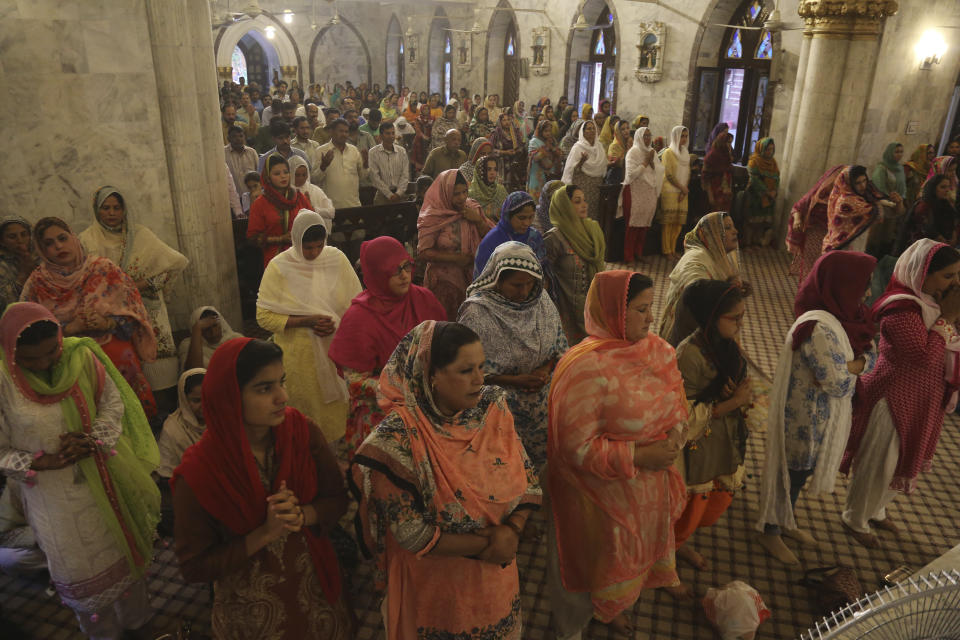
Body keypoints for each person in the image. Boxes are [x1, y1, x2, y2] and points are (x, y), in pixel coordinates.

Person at [351, 320, 542, 640]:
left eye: (482, 367)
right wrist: (494, 543)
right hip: (437, 587)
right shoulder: (396, 439)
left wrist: (512, 529)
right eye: (466, 370)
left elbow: (528, 480)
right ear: (433, 375)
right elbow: (411, 533)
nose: (480, 379)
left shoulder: (492, 408)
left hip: (494, 580)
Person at [172, 338, 352, 639]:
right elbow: (195, 567)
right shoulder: (198, 472)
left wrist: (303, 515)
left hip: (316, 595)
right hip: (249, 614)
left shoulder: (302, 432)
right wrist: (265, 533)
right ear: (230, 396)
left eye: (281, 382)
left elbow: (337, 500)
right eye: (264, 388)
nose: (283, 396)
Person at [0, 302, 160, 638]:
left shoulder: (80, 356)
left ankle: (139, 624)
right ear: (11, 350)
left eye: (51, 352)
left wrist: (93, 439)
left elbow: (112, 404)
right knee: (78, 572)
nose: (44, 365)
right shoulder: (3, 381)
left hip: (102, 479)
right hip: (50, 497)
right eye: (31, 359)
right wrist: (36, 461)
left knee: (124, 561)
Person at [547, 271, 687, 637]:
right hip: (598, 497)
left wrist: (674, 436)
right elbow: (573, 448)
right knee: (589, 563)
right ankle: (575, 625)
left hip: (646, 491)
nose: (651, 318)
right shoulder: (584, 367)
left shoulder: (658, 351)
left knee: (629, 564)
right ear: (613, 313)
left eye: (650, 308)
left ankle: (609, 609)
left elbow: (678, 405)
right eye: (641, 310)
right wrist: (639, 456)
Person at [756, 251, 877, 564]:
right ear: (841, 284)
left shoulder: (850, 317)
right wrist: (859, 364)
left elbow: (871, 355)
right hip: (804, 418)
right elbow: (836, 381)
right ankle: (769, 532)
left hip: (823, 418)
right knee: (792, 472)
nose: (868, 292)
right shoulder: (817, 327)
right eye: (862, 284)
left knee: (803, 472)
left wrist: (854, 363)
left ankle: (785, 520)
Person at [840, 240, 960, 548]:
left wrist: (947, 318)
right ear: (922, 273)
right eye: (948, 276)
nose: (955, 283)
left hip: (924, 398)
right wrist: (947, 319)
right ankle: (854, 517)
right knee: (880, 462)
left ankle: (876, 510)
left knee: (903, 458)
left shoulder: (933, 303)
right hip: (893, 397)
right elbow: (924, 357)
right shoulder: (901, 308)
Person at [22, 218, 159, 417]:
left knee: (131, 415)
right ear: (41, 250)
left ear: (73, 237)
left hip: (116, 356)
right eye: (49, 243)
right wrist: (69, 329)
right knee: (90, 419)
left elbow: (134, 313)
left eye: (62, 238)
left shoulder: (104, 269)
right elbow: (28, 330)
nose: (58, 246)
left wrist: (109, 322)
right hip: (68, 361)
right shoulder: (37, 283)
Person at [328, 237, 446, 457]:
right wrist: (400, 389)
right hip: (380, 411)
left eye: (405, 266)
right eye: (393, 271)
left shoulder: (423, 299)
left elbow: (445, 347)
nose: (403, 275)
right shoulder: (359, 317)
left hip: (429, 402)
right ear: (376, 274)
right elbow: (353, 380)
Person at [459, 242, 566, 470]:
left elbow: (559, 344)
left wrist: (545, 370)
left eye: (529, 283)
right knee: (506, 466)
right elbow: (465, 371)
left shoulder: (541, 301)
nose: (524, 291)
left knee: (541, 467)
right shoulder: (478, 312)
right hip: (500, 409)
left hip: (541, 405)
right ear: (497, 280)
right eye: (516, 285)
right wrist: (515, 381)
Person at [256, 211, 361, 444]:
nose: (314, 253)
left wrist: (337, 325)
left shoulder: (335, 258)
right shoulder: (280, 267)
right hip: (298, 354)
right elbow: (264, 317)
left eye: (319, 246)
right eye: (308, 248)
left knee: (337, 411)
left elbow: (356, 303)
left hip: (334, 348)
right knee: (306, 411)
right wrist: (307, 321)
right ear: (295, 241)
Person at [672, 280, 751, 575]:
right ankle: (665, 557)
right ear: (710, 316)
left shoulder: (725, 346)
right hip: (695, 448)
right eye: (735, 318)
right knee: (687, 510)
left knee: (713, 505)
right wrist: (732, 403)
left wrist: (734, 396)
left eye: (743, 316)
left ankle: (678, 544)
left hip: (721, 438)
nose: (741, 324)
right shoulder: (687, 355)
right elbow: (679, 418)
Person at [80, 186, 189, 396]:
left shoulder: (140, 235)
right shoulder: (86, 240)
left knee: (159, 373)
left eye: (117, 208)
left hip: (147, 309)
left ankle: (164, 407)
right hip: (111, 313)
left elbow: (169, 267)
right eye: (106, 208)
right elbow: (85, 280)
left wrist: (135, 286)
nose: (112, 213)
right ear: (96, 209)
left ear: (124, 210)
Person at [659, 212, 746, 347]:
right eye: (727, 228)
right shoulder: (696, 257)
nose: (735, 231)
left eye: (733, 227)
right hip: (688, 333)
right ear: (712, 234)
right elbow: (695, 287)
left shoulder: (719, 257)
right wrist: (725, 290)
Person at [417, 169, 494, 320]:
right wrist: (456, 258)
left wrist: (478, 220)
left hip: (473, 279)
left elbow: (491, 237)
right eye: (456, 194)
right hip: (444, 284)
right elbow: (423, 252)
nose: (462, 198)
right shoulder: (433, 216)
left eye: (465, 192)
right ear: (445, 192)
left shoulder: (472, 208)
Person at [544, 185, 606, 344]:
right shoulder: (554, 238)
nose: (584, 205)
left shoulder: (592, 230)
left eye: (584, 200)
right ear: (564, 205)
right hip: (566, 310)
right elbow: (544, 276)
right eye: (577, 201)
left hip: (592, 305)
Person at [155, 368, 205, 535]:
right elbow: (167, 476)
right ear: (184, 400)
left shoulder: (223, 420)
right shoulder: (173, 429)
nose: (204, 405)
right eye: (196, 400)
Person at [247, 153, 312, 267]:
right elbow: (253, 238)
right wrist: (280, 239)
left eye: (286, 172)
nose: (283, 176)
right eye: (277, 173)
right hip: (275, 260)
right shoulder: (260, 203)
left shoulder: (298, 197)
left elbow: (312, 223)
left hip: (301, 257)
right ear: (268, 177)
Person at [785, 165, 845, 284]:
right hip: (814, 236)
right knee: (810, 268)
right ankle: (805, 294)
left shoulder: (844, 200)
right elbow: (798, 207)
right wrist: (797, 220)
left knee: (826, 271)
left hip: (834, 240)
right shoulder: (818, 194)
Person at [821, 165, 901, 254]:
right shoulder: (846, 200)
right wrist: (885, 203)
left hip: (854, 247)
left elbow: (894, 211)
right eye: (858, 183)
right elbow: (877, 212)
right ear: (849, 183)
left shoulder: (863, 196)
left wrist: (898, 203)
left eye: (864, 181)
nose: (863, 186)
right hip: (841, 249)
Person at [474, 191, 547, 277]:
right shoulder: (491, 242)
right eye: (521, 218)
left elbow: (543, 271)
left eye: (531, 217)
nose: (527, 223)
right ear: (508, 216)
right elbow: (482, 280)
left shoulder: (534, 236)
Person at [619, 127, 664, 263]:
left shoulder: (652, 152)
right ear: (639, 137)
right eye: (645, 136)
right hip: (634, 190)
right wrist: (645, 162)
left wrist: (651, 162)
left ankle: (638, 253)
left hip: (649, 192)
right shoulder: (633, 152)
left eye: (649, 136)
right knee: (632, 225)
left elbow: (659, 171)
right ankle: (628, 255)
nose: (647, 138)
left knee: (644, 225)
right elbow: (631, 174)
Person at [896, 174, 959, 254]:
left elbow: (952, 223)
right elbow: (926, 229)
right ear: (933, 189)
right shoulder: (923, 206)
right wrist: (942, 241)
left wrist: (953, 236)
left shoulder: (945, 204)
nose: (947, 190)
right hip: (922, 248)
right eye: (943, 187)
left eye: (948, 187)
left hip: (941, 245)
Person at [0, 478, 47, 578]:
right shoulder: (15, 480)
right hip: (42, 538)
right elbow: (5, 534)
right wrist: (44, 534)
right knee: (7, 558)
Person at [561, 120, 606, 221]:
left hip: (596, 187)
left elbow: (603, 167)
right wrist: (582, 161)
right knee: (580, 214)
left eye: (593, 128)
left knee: (593, 214)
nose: (592, 131)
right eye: (589, 129)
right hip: (582, 186)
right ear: (583, 131)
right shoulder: (578, 147)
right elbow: (573, 170)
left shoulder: (600, 147)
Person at [315, 118, 364, 209]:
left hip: (354, 206)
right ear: (331, 132)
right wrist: (323, 166)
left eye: (346, 131)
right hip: (330, 208)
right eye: (341, 131)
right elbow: (314, 180)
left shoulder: (354, 150)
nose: (344, 134)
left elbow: (362, 177)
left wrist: (366, 165)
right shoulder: (321, 151)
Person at [178, 305, 242, 372]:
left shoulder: (235, 338)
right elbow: (195, 374)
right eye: (206, 329)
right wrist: (197, 327)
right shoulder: (187, 345)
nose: (213, 333)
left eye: (215, 326)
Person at [742, 138, 780, 247]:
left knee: (762, 222)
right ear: (761, 149)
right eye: (767, 149)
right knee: (751, 221)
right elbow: (754, 179)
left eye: (772, 149)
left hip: (769, 198)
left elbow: (777, 177)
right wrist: (766, 191)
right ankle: (747, 244)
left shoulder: (773, 162)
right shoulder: (754, 161)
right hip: (756, 195)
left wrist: (774, 190)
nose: (770, 152)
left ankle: (756, 242)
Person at [661, 126, 692, 257]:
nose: (684, 139)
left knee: (678, 222)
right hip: (670, 190)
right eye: (681, 136)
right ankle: (666, 250)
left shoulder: (686, 154)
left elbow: (688, 173)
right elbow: (668, 174)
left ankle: (673, 249)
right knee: (668, 222)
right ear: (675, 137)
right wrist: (682, 188)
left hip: (682, 192)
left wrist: (684, 191)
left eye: (685, 136)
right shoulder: (668, 153)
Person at [368, 122, 411, 205]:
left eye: (393, 133)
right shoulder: (373, 152)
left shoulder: (401, 151)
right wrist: (389, 195)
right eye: (387, 133)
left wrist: (398, 194)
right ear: (381, 136)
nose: (391, 136)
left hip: (400, 194)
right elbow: (374, 177)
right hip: (382, 194)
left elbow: (405, 175)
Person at [0, 216, 37, 311]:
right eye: (12, 237)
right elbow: (5, 304)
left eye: (24, 234)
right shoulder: (2, 266)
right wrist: (23, 274)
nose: (20, 240)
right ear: (2, 242)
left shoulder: (41, 256)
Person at [287, 155, 336, 228]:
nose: (301, 178)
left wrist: (313, 209)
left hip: (316, 230)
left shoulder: (315, 190)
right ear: (290, 174)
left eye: (304, 175)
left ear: (308, 175)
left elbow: (331, 212)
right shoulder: (286, 191)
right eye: (297, 175)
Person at [527, 120, 562, 201]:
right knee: (536, 200)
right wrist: (546, 149)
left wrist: (553, 150)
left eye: (550, 131)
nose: (548, 133)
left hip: (550, 174)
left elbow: (559, 153)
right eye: (546, 131)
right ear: (540, 131)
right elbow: (534, 157)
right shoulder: (534, 142)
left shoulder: (552, 140)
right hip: (537, 175)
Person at [490, 113, 525, 190]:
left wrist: (517, 151)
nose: (507, 122)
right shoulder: (496, 133)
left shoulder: (515, 132)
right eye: (504, 120)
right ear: (500, 122)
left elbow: (521, 146)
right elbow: (491, 149)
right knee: (502, 188)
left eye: (508, 119)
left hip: (514, 163)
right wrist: (505, 152)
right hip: (501, 165)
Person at [469, 155, 509, 223]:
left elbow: (509, 215)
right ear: (480, 171)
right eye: (488, 169)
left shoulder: (501, 190)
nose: (492, 173)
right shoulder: (471, 195)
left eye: (495, 169)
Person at [702, 132, 734, 212]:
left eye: (731, 143)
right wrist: (710, 195)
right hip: (714, 191)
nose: (730, 145)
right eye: (728, 142)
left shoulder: (726, 155)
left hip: (726, 192)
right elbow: (706, 177)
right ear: (721, 142)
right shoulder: (712, 156)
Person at [224, 125, 259, 194]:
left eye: (241, 136)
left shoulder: (252, 152)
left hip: (252, 194)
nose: (238, 139)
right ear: (228, 139)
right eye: (234, 136)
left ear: (245, 137)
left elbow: (258, 173)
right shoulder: (223, 153)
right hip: (233, 195)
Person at [604, 119, 632, 185]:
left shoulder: (629, 143)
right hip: (616, 177)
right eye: (623, 129)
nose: (626, 131)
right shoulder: (614, 146)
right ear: (617, 131)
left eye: (627, 128)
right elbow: (613, 164)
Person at [411, 104, 434, 173]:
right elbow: (417, 130)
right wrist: (423, 136)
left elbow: (435, 128)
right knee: (418, 145)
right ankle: (419, 170)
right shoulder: (417, 119)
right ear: (421, 110)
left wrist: (430, 137)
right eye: (424, 109)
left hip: (431, 139)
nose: (426, 110)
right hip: (420, 139)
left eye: (427, 109)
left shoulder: (433, 118)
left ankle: (429, 170)